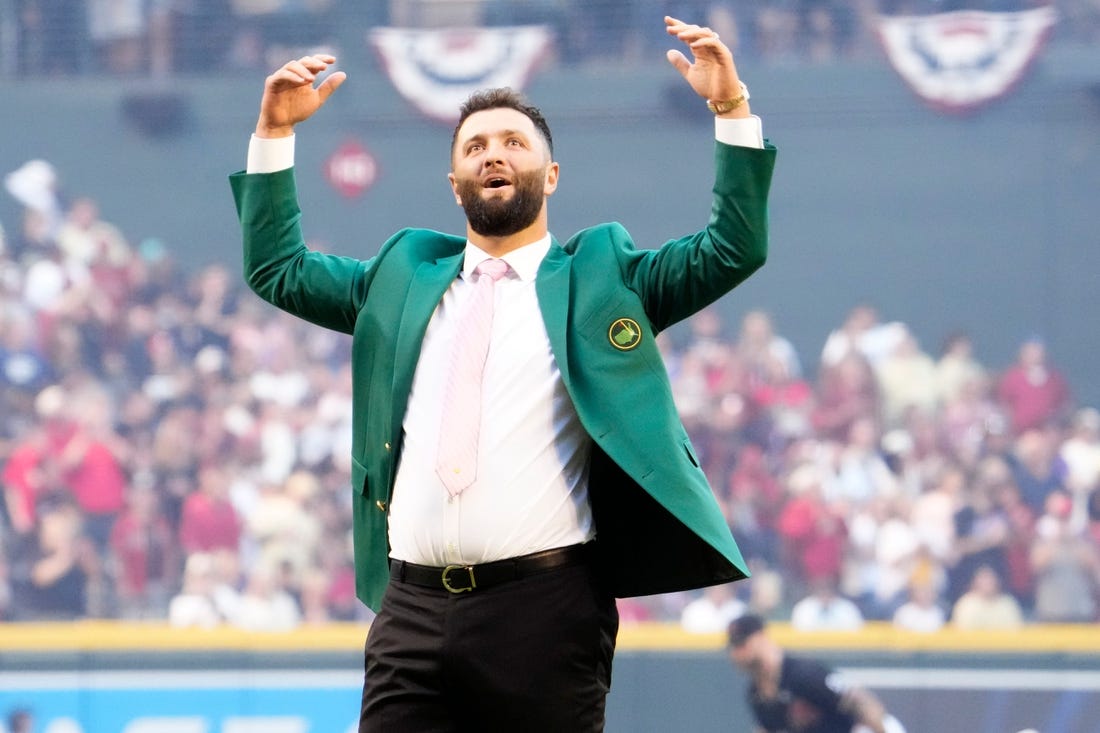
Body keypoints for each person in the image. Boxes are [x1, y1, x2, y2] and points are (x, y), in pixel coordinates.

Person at [229, 14, 775, 733]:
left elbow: (733, 247)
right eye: (476, 146)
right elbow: (279, 269)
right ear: (454, 182)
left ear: (549, 175)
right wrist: (273, 135)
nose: (494, 155)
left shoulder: (603, 276)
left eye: (514, 143)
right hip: (411, 612)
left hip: (544, 611)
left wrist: (730, 109)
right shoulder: (398, 279)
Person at [727, 614, 906, 733]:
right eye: (733, 647)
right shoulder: (756, 694)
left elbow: (860, 703)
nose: (736, 653)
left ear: (761, 637)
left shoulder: (802, 674)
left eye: (742, 644)